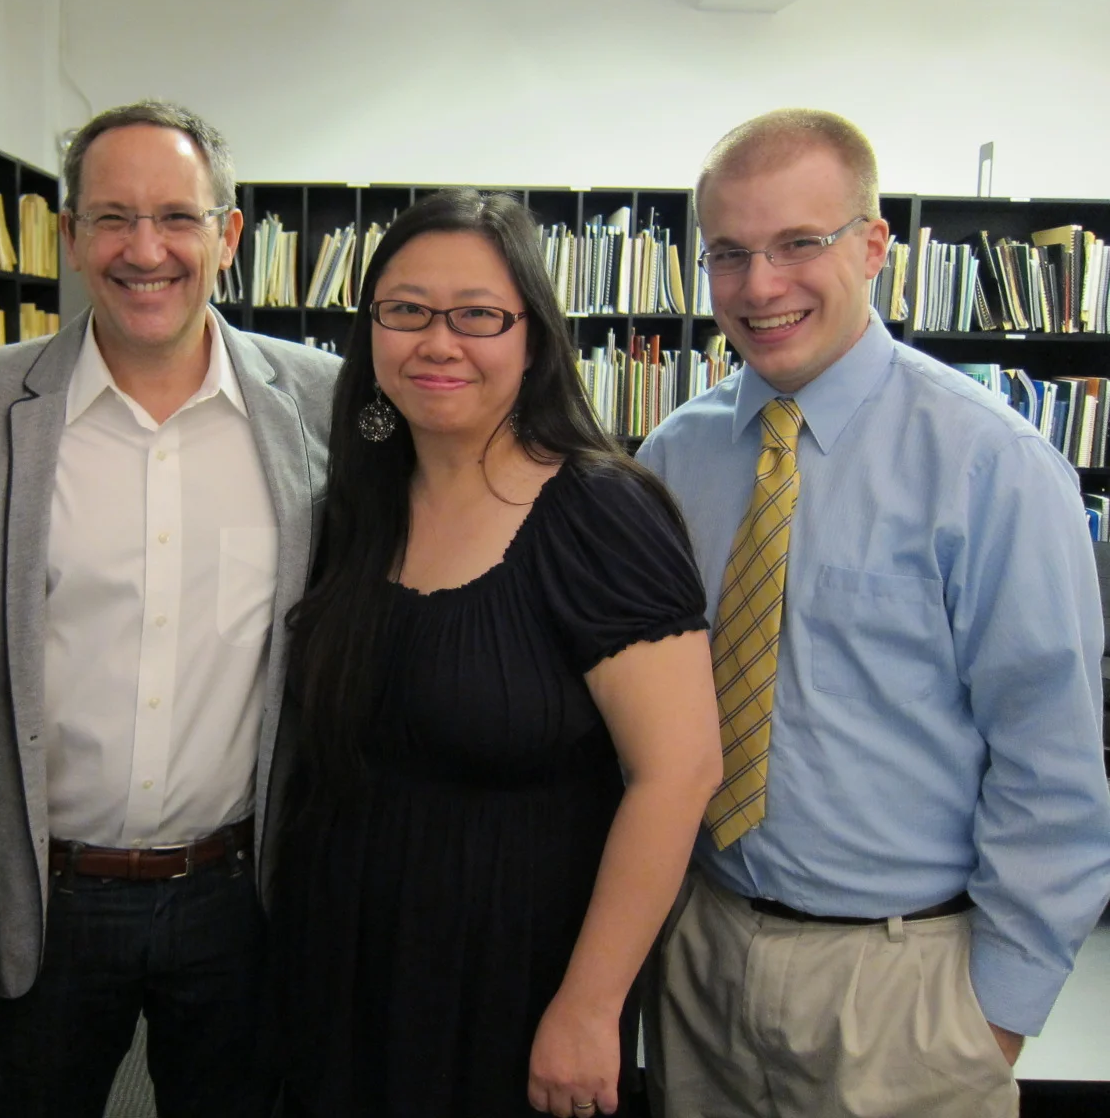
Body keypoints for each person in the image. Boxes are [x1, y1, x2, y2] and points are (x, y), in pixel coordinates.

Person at [637, 108, 1110, 1118]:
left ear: (872, 245)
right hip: (700, 954)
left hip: (903, 983)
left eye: (797, 244)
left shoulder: (994, 466)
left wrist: (993, 1018)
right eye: (728, 254)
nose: (759, 287)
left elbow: (1051, 761)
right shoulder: (673, 458)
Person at [0, 100, 341, 1118]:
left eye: (176, 218)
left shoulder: (323, 404)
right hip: (43, 897)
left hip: (237, 891)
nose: (144, 250)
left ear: (227, 236)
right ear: (67, 237)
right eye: (110, 217)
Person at [274, 188, 723, 1118]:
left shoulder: (599, 511)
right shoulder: (355, 510)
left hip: (512, 978)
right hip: (343, 961)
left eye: (477, 315)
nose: (438, 343)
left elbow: (678, 774)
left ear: (533, 335)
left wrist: (590, 1009)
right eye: (405, 311)